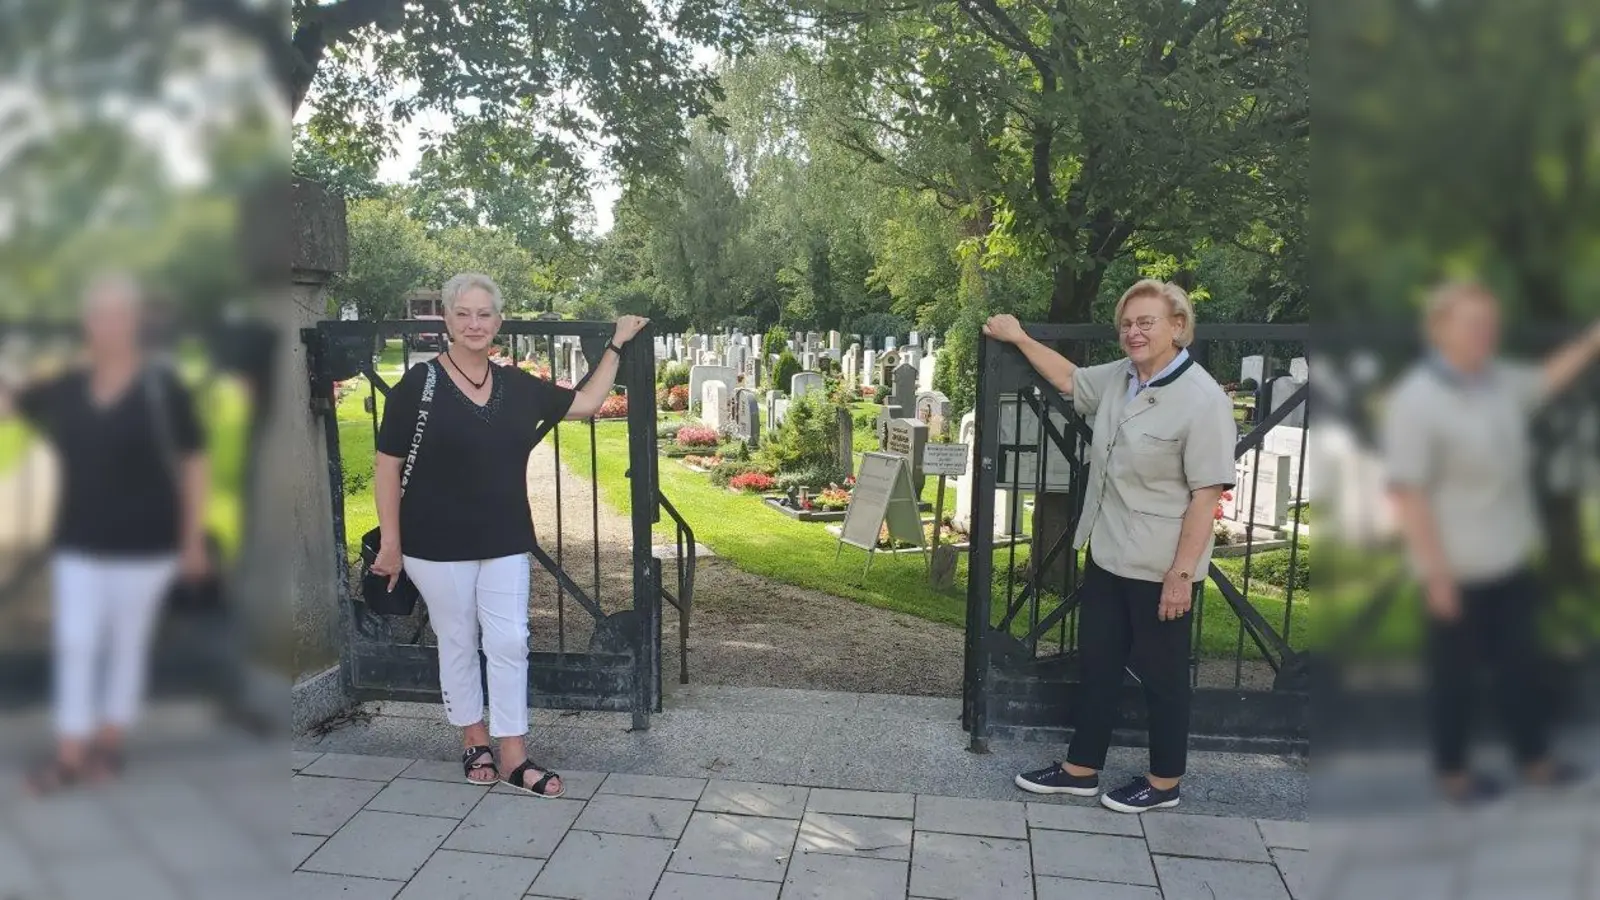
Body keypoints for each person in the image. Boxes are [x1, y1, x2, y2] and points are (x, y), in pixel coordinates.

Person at [369, 272, 647, 797]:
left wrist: (615, 344)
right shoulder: (418, 385)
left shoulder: (518, 387)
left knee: (509, 641)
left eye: (484, 314)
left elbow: (585, 405)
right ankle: (474, 740)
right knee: (457, 638)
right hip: (434, 542)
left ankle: (514, 753)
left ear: (498, 322)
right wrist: (391, 542)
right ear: (447, 321)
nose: (474, 324)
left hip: (504, 538)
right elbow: (387, 466)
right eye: (463, 313)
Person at [986, 279, 1237, 813]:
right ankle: (1080, 769)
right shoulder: (1122, 379)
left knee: (1164, 677)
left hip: (1160, 563)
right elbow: (1071, 379)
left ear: (1177, 326)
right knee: (1099, 664)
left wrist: (1182, 575)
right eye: (1126, 323)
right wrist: (1020, 337)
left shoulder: (1202, 400)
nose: (1133, 332)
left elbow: (1205, 496)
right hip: (1108, 551)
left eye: (1146, 322)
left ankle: (1165, 781)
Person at [1381, 280, 1600, 805]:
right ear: (1439, 329)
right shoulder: (1418, 399)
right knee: (1453, 680)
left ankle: (1536, 760)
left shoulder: (1498, 381)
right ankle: (1453, 774)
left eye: (1490, 323)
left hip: (1509, 559)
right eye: (1473, 322)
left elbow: (1548, 378)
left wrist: (1594, 339)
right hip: (1455, 569)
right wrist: (1436, 577)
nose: (1486, 332)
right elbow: (1409, 494)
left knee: (1523, 668)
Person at [0, 273, 210, 794]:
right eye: (98, 315)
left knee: (125, 646)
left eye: (118, 315)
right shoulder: (66, 387)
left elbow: (194, 463)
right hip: (78, 541)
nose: (107, 325)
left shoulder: (163, 387)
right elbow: (10, 404)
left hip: (148, 545)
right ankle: (70, 753)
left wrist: (191, 541)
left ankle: (109, 743)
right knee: (75, 644)